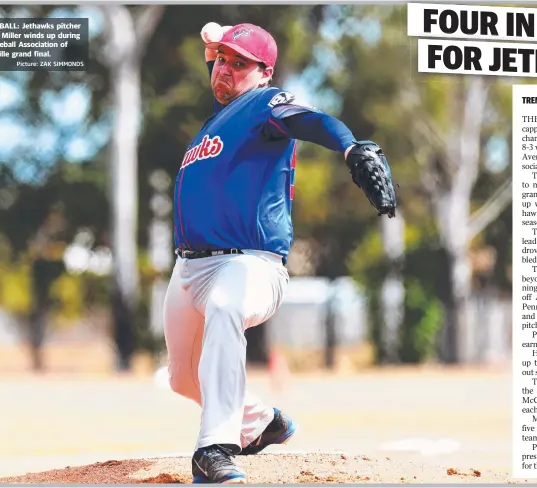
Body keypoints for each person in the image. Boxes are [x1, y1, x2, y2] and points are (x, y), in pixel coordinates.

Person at [163, 21, 397, 484]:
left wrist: (349, 147)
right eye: (221, 61)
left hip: (248, 264)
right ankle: (262, 422)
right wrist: (219, 46)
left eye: (240, 63)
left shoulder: (265, 104)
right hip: (187, 269)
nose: (225, 70)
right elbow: (221, 65)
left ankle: (213, 449)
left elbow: (314, 121)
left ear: (265, 73)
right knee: (182, 379)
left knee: (227, 308)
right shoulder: (218, 120)